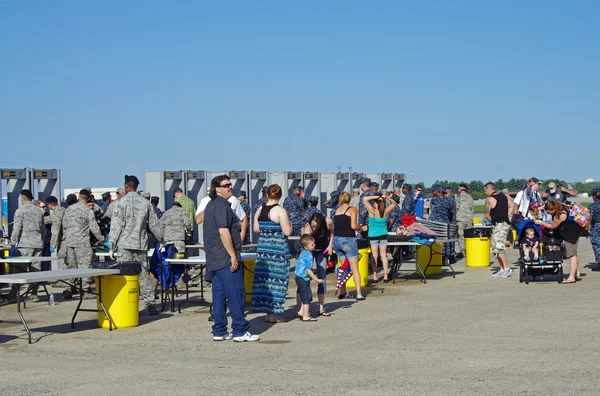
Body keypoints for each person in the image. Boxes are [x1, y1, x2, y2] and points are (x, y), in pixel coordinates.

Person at [203, 175, 259, 342]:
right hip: (224, 257)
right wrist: (233, 256)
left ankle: (219, 330)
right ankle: (240, 330)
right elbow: (223, 231)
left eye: (230, 185)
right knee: (236, 294)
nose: (230, 188)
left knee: (219, 295)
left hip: (214, 258)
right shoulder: (220, 206)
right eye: (226, 185)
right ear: (217, 189)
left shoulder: (211, 205)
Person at [109, 175, 163, 315]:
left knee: (124, 275)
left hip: (124, 245)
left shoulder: (119, 203)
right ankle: (150, 304)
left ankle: (125, 304)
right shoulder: (146, 203)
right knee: (143, 274)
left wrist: (112, 245)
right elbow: (154, 225)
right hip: (140, 244)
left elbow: (116, 227)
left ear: (126, 186)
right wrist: (162, 240)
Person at [252, 184, 292, 323]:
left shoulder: (260, 209)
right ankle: (274, 315)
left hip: (263, 249)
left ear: (267, 195)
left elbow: (256, 229)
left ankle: (267, 314)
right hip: (278, 250)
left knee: (264, 281)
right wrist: (290, 224)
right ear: (280, 196)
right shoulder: (280, 211)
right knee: (278, 280)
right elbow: (287, 232)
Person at [62, 189, 106, 299]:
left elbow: (64, 225)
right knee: (85, 266)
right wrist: (102, 240)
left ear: (78, 197)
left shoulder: (69, 209)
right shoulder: (88, 211)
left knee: (72, 265)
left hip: (70, 242)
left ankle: (69, 288)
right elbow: (94, 228)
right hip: (82, 242)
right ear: (88, 198)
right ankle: (85, 290)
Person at [7, 189, 44, 301]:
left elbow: (17, 228)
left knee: (18, 269)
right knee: (36, 269)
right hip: (38, 244)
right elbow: (43, 229)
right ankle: (34, 294)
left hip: (25, 244)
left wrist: (13, 242)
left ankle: (14, 293)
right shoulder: (38, 211)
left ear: (22, 198)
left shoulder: (20, 211)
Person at [535, 200, 582, 283]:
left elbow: (552, 226)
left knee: (571, 254)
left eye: (548, 212)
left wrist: (540, 222)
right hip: (576, 230)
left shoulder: (559, 215)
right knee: (574, 253)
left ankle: (571, 277)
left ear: (553, 210)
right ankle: (576, 273)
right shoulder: (561, 206)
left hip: (570, 233)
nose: (548, 214)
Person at [334, 191, 366, 300]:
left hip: (337, 240)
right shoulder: (352, 209)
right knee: (354, 268)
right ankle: (359, 294)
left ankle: (343, 292)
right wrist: (362, 228)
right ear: (349, 199)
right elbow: (353, 225)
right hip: (348, 240)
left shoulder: (337, 211)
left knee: (344, 268)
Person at [301, 212, 334, 316]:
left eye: (316, 226)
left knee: (322, 276)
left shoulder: (327, 221)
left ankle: (321, 307)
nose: (314, 228)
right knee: (305, 276)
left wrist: (330, 246)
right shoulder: (308, 227)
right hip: (310, 251)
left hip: (322, 250)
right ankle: (303, 307)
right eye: (313, 225)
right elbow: (304, 243)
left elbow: (332, 232)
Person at [363, 193, 397, 283]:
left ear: (376, 203)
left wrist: (376, 197)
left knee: (374, 256)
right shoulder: (385, 212)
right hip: (383, 235)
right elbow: (394, 204)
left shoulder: (372, 212)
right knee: (384, 256)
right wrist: (387, 197)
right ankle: (386, 275)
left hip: (373, 236)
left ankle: (375, 276)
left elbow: (364, 199)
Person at [483, 182, 513, 278]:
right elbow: (512, 205)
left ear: (489, 189)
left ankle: (506, 268)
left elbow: (486, 214)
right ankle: (502, 268)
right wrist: (507, 215)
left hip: (500, 224)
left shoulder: (490, 200)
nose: (485, 193)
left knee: (499, 246)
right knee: (495, 246)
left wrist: (493, 220)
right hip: (503, 223)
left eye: (485, 190)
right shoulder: (504, 197)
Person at [295, 234, 324, 322]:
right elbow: (308, 270)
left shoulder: (303, 253)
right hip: (303, 278)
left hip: (298, 276)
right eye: (312, 245)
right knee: (307, 296)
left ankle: (300, 310)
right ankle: (305, 315)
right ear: (306, 247)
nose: (314, 245)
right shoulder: (309, 256)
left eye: (314, 244)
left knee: (300, 292)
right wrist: (316, 279)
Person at [283, 185, 305, 257]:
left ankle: (290, 253)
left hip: (288, 221)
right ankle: (297, 254)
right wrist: (302, 197)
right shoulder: (298, 199)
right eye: (300, 191)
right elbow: (303, 208)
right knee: (297, 239)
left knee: (289, 239)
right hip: (296, 222)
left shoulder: (287, 198)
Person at [46, 196, 67, 272]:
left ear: (50, 204)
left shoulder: (58, 212)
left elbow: (56, 229)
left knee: (62, 260)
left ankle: (64, 279)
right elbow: (48, 219)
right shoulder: (61, 210)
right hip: (65, 239)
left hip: (63, 240)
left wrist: (52, 245)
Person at [455, 184, 474, 258]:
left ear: (460, 189)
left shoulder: (459, 198)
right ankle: (469, 250)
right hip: (469, 219)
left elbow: (456, 207)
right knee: (469, 236)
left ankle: (463, 252)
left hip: (460, 219)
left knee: (461, 236)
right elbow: (472, 209)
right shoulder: (470, 197)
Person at [36, 200, 52, 271]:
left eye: (45, 207)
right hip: (39, 243)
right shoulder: (35, 217)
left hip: (47, 242)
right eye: (42, 207)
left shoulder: (47, 215)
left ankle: (44, 280)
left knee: (46, 263)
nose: (44, 208)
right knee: (38, 262)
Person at [589, 188, 600, 270]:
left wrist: (586, 228)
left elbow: (590, 218)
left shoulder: (593, 206)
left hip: (596, 227)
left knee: (597, 245)